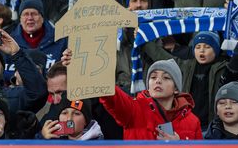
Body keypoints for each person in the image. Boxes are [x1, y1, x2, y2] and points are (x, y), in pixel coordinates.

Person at [64, 51, 203, 140]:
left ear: (176, 89)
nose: (158, 80)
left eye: (166, 78)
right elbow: (110, 93)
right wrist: (83, 64)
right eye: (153, 77)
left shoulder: (192, 121)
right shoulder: (134, 109)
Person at [10, 0, 67, 68]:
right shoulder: (10, 42)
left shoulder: (60, 40)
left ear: (42, 18)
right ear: (20, 19)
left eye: (34, 14)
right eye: (26, 14)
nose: (30, 18)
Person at [39, 94, 103, 140]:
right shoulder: (53, 140)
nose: (69, 119)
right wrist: (42, 138)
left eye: (76, 114)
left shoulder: (99, 143)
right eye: (64, 113)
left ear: (85, 121)